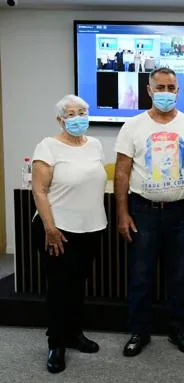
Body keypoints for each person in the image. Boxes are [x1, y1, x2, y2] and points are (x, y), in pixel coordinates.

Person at [114, 67, 184, 357]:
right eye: (160, 87)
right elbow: (121, 173)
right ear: (149, 90)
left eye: (171, 87)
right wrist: (122, 213)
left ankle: (180, 329)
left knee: (180, 275)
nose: (166, 93)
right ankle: (139, 332)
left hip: (182, 211)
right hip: (143, 211)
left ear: (178, 90)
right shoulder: (133, 126)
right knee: (141, 274)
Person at [31, 95, 107, 373]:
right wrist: (50, 228)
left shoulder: (95, 145)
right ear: (60, 119)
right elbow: (39, 190)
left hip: (90, 227)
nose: (78, 117)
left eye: (82, 112)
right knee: (59, 288)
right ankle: (56, 344)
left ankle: (75, 334)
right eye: (71, 113)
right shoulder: (48, 146)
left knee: (77, 285)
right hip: (58, 230)